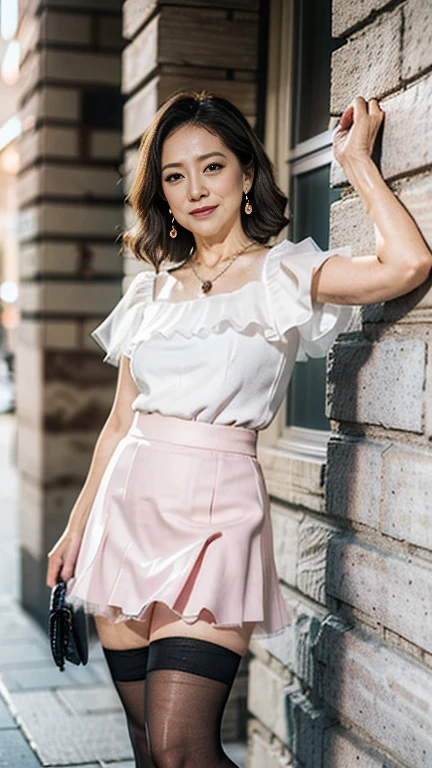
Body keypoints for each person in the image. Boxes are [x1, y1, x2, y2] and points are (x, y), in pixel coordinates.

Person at [46, 90, 431, 768]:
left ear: (247, 173)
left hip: (217, 518)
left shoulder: (284, 272)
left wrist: (358, 163)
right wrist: (76, 529)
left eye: (212, 166)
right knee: (146, 750)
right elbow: (116, 423)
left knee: (180, 748)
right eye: (174, 175)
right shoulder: (149, 291)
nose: (195, 189)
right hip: (125, 515)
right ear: (160, 193)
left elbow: (407, 265)